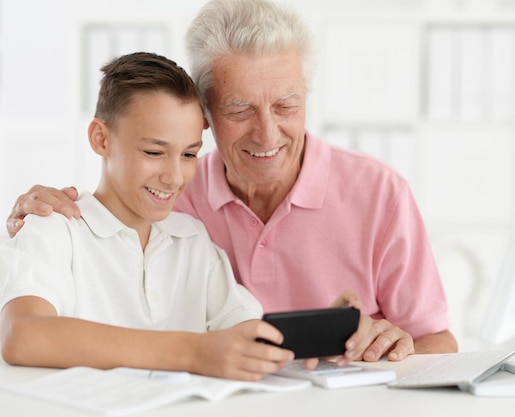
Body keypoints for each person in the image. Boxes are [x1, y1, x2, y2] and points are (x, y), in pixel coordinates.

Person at [5, 0, 458, 365]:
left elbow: (438, 343)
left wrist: (342, 333)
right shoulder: (178, 204)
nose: (266, 134)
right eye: (240, 110)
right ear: (204, 117)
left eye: (286, 105)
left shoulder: (379, 194)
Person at [0, 52, 295, 381]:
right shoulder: (54, 228)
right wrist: (194, 352)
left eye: (188, 154)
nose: (174, 177)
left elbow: (246, 331)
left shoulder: (192, 238)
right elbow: (21, 337)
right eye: (154, 152)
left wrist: (328, 331)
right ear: (101, 139)